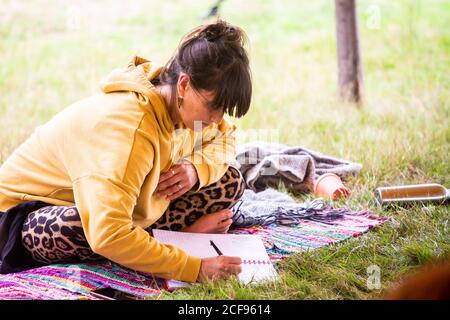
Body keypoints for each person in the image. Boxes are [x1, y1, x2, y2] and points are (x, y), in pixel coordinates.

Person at [0, 20, 252, 283]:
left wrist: (194, 169)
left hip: (115, 206)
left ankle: (154, 242)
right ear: (184, 85)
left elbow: (226, 137)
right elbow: (107, 233)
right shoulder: (129, 129)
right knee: (80, 229)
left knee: (229, 181)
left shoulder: (182, 108)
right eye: (214, 107)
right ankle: (173, 241)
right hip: (21, 218)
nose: (217, 118)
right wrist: (194, 267)